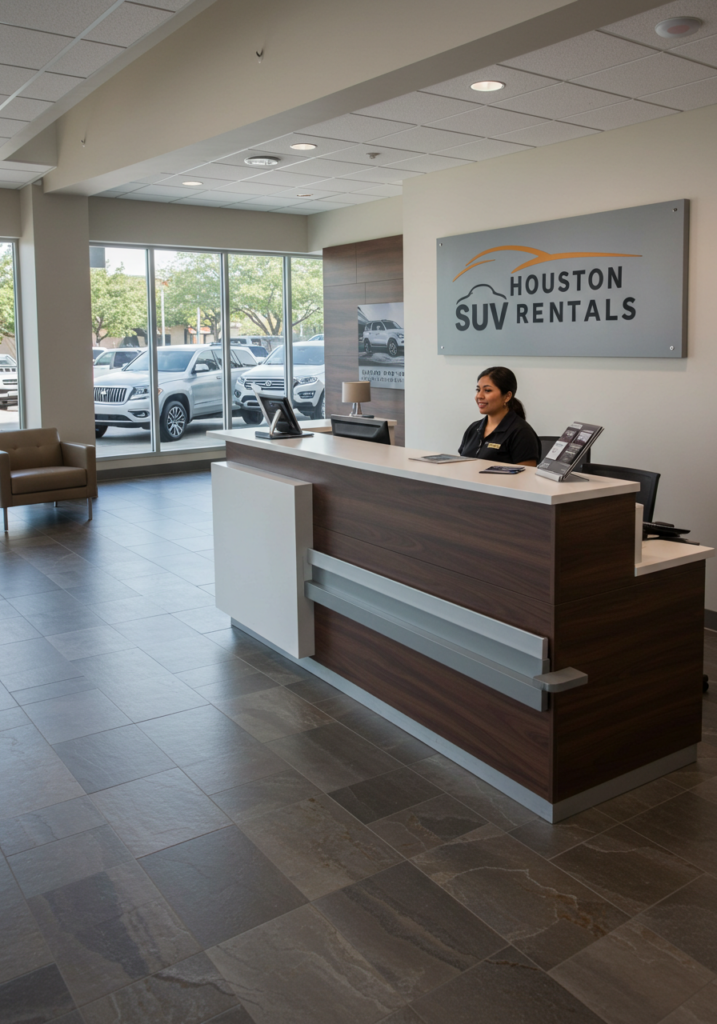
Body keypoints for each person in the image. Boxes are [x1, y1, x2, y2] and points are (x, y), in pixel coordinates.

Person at [458, 366, 540, 465]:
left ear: (507, 396)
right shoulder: (473, 428)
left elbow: (526, 478)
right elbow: (461, 467)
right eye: (478, 390)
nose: (479, 396)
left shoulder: (522, 433)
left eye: (487, 390)